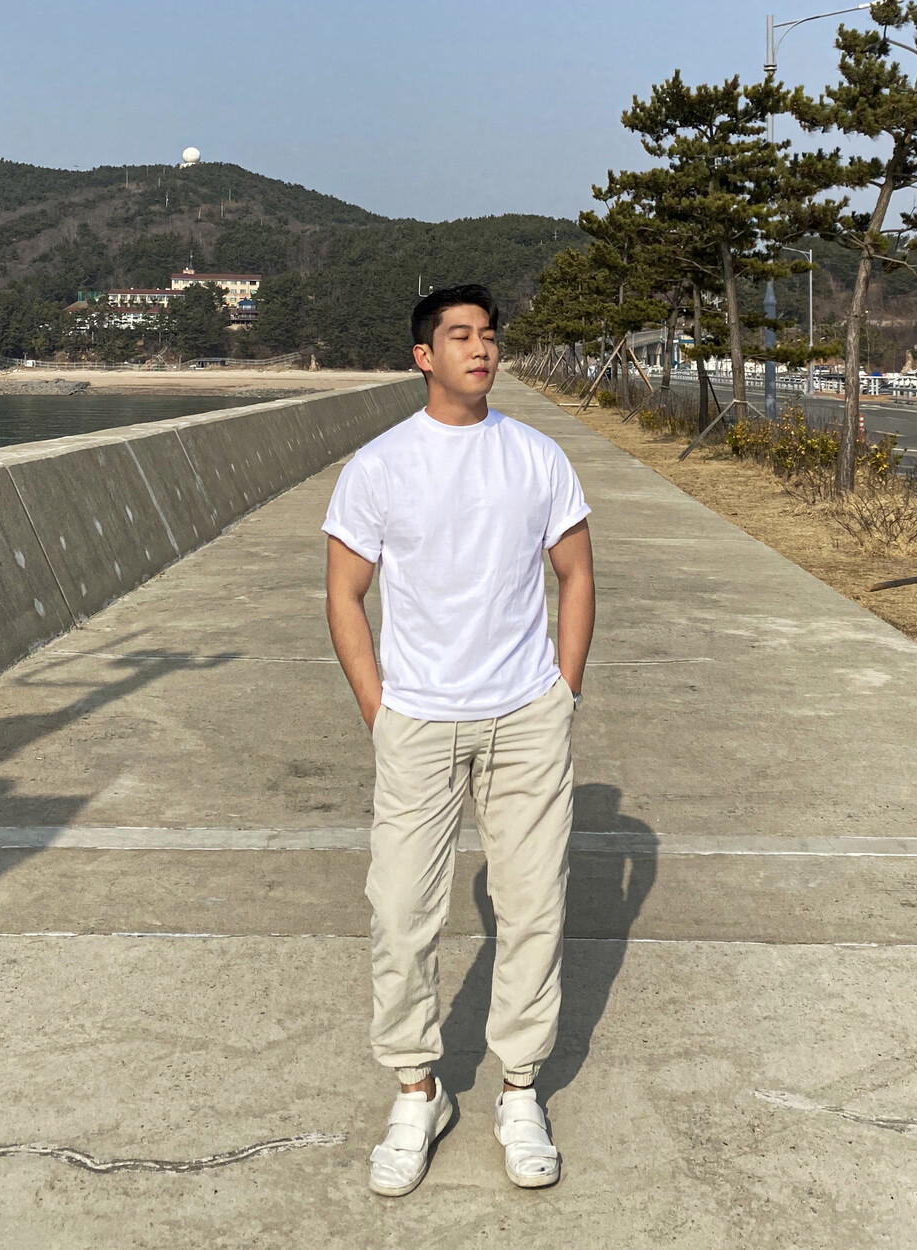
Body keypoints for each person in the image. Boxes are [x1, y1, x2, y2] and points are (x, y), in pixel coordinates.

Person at [322, 284, 595, 1197]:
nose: (481, 349)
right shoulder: (379, 465)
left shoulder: (537, 455)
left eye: (489, 335)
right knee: (401, 911)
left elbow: (576, 571)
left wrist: (563, 689)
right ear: (423, 356)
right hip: (419, 719)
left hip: (525, 716)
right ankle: (417, 1090)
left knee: (533, 906)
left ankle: (519, 1089)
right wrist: (380, 709)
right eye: (460, 335)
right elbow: (345, 593)